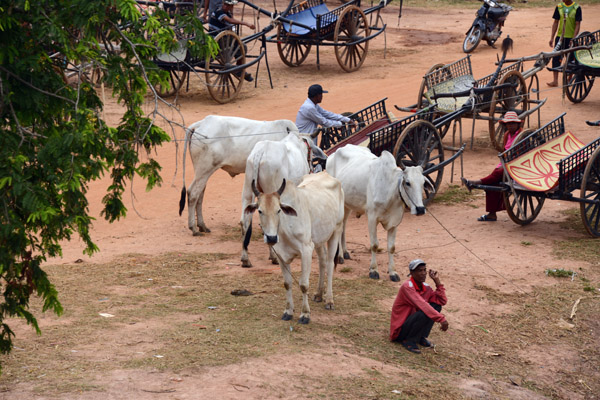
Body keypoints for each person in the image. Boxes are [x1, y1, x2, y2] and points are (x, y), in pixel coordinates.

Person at [462, 111, 523, 222]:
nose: (511, 125)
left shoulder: (522, 135)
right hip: (506, 163)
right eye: (508, 123)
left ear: (518, 124)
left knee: (496, 174)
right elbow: (505, 151)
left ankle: (476, 182)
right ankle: (492, 214)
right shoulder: (506, 135)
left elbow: (522, 153)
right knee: (493, 181)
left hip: (518, 165)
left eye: (513, 123)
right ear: (505, 125)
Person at [390, 259, 448, 354]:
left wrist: (437, 281)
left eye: (424, 270)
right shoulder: (407, 286)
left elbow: (442, 301)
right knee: (424, 310)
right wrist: (441, 319)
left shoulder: (426, 287)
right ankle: (409, 340)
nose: (423, 273)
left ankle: (420, 336)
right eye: (419, 271)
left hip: (411, 324)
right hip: (400, 331)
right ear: (411, 273)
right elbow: (422, 305)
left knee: (436, 306)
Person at [208, 0, 255, 82]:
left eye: (228, 5)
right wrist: (246, 23)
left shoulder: (228, 13)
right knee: (242, 46)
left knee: (239, 43)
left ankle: (239, 67)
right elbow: (230, 21)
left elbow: (230, 23)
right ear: (223, 4)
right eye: (225, 4)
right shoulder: (219, 12)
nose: (225, 6)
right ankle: (239, 69)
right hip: (217, 40)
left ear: (231, 7)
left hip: (221, 39)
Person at [547, 0, 582, 87]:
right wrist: (552, 37)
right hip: (560, 37)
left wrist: (574, 38)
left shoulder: (577, 8)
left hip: (571, 38)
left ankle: (569, 79)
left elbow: (577, 24)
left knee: (570, 59)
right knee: (556, 58)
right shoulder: (559, 7)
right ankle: (555, 81)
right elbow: (555, 22)